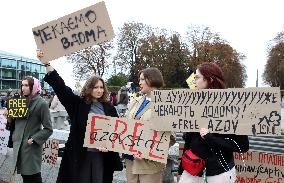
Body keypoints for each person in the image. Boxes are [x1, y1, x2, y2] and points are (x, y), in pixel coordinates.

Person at [37, 50, 122, 183]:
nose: (99, 90)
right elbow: (61, 88)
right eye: (95, 87)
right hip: (81, 155)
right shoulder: (78, 105)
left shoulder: (110, 109)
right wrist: (47, 64)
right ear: (89, 88)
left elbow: (117, 133)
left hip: (102, 156)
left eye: (101, 87)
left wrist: (109, 146)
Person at [178, 62, 249, 183]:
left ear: (209, 80)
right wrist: (181, 168)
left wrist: (210, 137)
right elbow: (189, 141)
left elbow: (242, 145)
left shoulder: (231, 108)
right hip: (192, 169)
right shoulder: (193, 104)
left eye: (197, 77)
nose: (194, 81)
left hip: (219, 173)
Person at [124, 67, 176, 183]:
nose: (139, 83)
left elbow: (170, 138)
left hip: (149, 164)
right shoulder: (134, 102)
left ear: (151, 80)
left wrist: (145, 151)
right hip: (130, 159)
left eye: (142, 79)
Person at [5, 76, 53, 183]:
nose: (23, 88)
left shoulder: (42, 104)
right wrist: (8, 115)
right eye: (22, 85)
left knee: (34, 176)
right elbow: (13, 123)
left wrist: (34, 139)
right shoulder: (18, 101)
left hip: (31, 147)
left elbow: (48, 129)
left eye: (26, 85)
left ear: (34, 86)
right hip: (18, 145)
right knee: (25, 177)